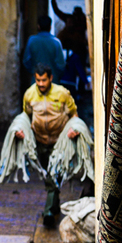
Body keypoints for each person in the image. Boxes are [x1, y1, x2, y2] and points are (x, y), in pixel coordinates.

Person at [15, 63, 78, 226]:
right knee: (49, 176)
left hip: (59, 142)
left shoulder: (62, 93)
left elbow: (74, 114)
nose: (41, 84)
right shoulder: (29, 94)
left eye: (44, 80)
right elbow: (26, 117)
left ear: (50, 78)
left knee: (53, 175)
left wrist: (73, 129)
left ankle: (49, 211)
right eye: (38, 80)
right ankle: (55, 206)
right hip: (41, 141)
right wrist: (21, 130)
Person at [51, 0, 89, 92]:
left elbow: (58, 12)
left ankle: (80, 89)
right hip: (71, 49)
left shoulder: (82, 22)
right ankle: (79, 88)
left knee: (79, 68)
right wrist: (53, 2)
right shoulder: (75, 22)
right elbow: (58, 12)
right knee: (76, 69)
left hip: (79, 49)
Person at [22, 16, 66, 86]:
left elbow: (26, 61)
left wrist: (34, 71)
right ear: (50, 27)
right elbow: (61, 66)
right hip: (52, 82)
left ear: (38, 26)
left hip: (36, 82)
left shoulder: (32, 40)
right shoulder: (56, 42)